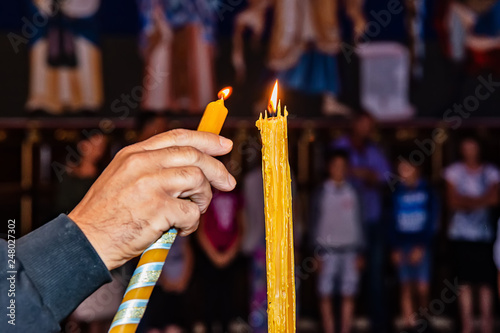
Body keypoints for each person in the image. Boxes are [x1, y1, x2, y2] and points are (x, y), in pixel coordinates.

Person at [0, 129, 236, 333]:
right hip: (77, 257)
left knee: (110, 313)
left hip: (110, 263)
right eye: (95, 142)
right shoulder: (69, 180)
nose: (99, 147)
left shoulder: (105, 172)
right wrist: (90, 233)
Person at [331, 111, 390, 332]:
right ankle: (338, 326)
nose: (367, 129)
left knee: (374, 274)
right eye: (363, 124)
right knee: (340, 274)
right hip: (343, 222)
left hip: (371, 221)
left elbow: (386, 177)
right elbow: (334, 172)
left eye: (370, 126)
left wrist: (365, 174)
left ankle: (378, 325)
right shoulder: (340, 145)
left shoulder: (374, 150)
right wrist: (363, 173)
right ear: (354, 124)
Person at [444, 136, 499, 333]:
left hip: (484, 235)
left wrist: (466, 202)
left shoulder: (491, 171)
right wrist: (480, 201)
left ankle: (486, 325)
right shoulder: (454, 171)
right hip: (461, 235)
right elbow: (452, 201)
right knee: (464, 283)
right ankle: (467, 326)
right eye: (465, 147)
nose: (470, 152)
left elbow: (494, 199)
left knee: (485, 283)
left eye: (473, 147)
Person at [311, 150, 364, 333]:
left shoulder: (354, 192)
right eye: (336, 166)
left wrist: (361, 251)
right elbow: (314, 222)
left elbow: (360, 221)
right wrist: (315, 251)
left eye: (343, 166)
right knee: (325, 293)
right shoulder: (321, 192)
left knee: (349, 293)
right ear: (329, 168)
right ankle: (329, 329)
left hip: (350, 250)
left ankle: (345, 329)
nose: (339, 170)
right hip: (326, 251)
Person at [389, 159, 439, 331]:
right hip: (402, 244)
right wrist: (394, 246)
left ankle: (423, 321)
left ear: (417, 169)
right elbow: (391, 221)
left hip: (421, 245)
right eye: (401, 170)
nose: (404, 174)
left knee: (422, 287)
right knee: (405, 285)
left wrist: (422, 245)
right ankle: (409, 324)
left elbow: (433, 220)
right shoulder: (396, 192)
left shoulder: (428, 190)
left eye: (407, 169)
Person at [196, 163, 244, 332]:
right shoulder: (206, 193)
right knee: (209, 296)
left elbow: (241, 226)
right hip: (210, 253)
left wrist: (230, 253)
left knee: (228, 297)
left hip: (229, 252)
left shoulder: (236, 194)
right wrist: (213, 255)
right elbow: (200, 229)